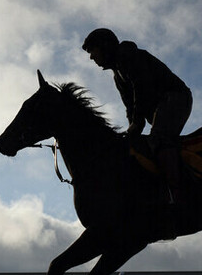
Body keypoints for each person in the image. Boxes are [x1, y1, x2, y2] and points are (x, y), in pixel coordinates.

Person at [82, 28, 192, 205]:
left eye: (92, 50)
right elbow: (129, 106)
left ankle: (176, 193)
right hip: (162, 105)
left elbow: (142, 88)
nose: (91, 57)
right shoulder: (117, 74)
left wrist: (137, 122)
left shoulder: (127, 55)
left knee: (159, 139)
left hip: (175, 98)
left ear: (104, 46)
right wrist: (133, 125)